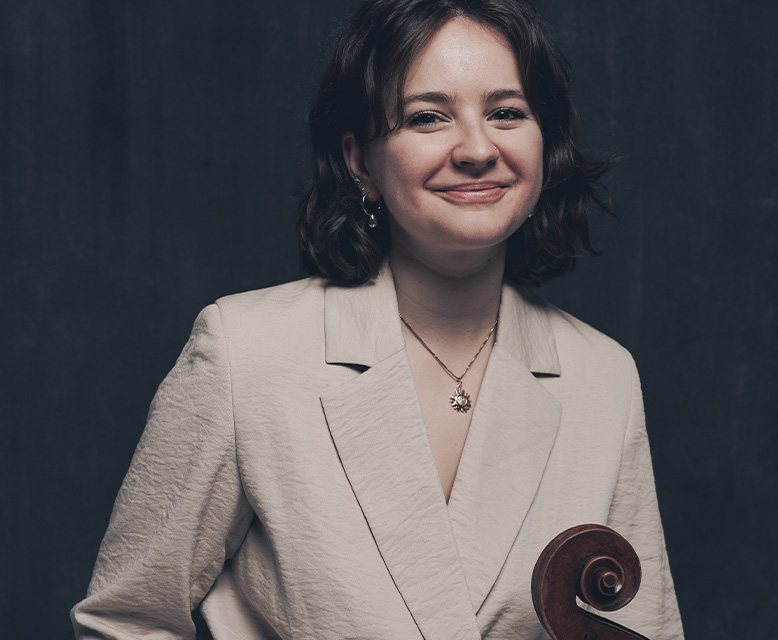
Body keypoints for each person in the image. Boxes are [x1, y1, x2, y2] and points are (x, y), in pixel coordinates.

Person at [71, 0, 684, 638]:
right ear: (360, 161)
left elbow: (646, 625)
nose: (477, 148)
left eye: (507, 112)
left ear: (544, 142)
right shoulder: (246, 351)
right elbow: (125, 619)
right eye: (427, 117)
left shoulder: (602, 377)